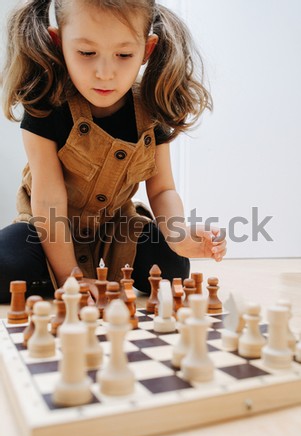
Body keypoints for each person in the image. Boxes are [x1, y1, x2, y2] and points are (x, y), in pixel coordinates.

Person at [0, 0, 226, 303]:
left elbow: (162, 190)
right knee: (6, 265)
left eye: (123, 55)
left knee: (173, 265)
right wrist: (69, 276)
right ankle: (61, 274)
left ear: (146, 50)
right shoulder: (45, 103)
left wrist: (180, 236)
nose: (104, 73)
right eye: (86, 53)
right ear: (59, 43)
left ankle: (91, 273)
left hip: (116, 228)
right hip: (47, 226)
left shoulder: (150, 108)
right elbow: (48, 199)